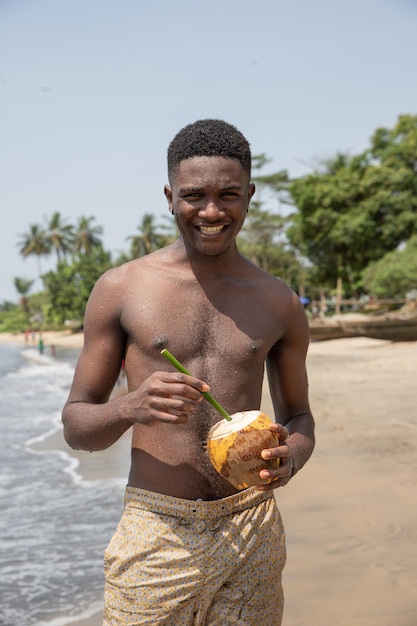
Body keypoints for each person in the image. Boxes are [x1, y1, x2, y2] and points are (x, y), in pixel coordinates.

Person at [62, 119, 315, 625]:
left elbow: (300, 416)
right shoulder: (121, 289)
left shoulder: (279, 302)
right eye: (194, 195)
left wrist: (291, 460)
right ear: (170, 196)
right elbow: (76, 428)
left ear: (251, 196)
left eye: (229, 195)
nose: (212, 212)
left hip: (252, 529)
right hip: (156, 530)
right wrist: (131, 406)